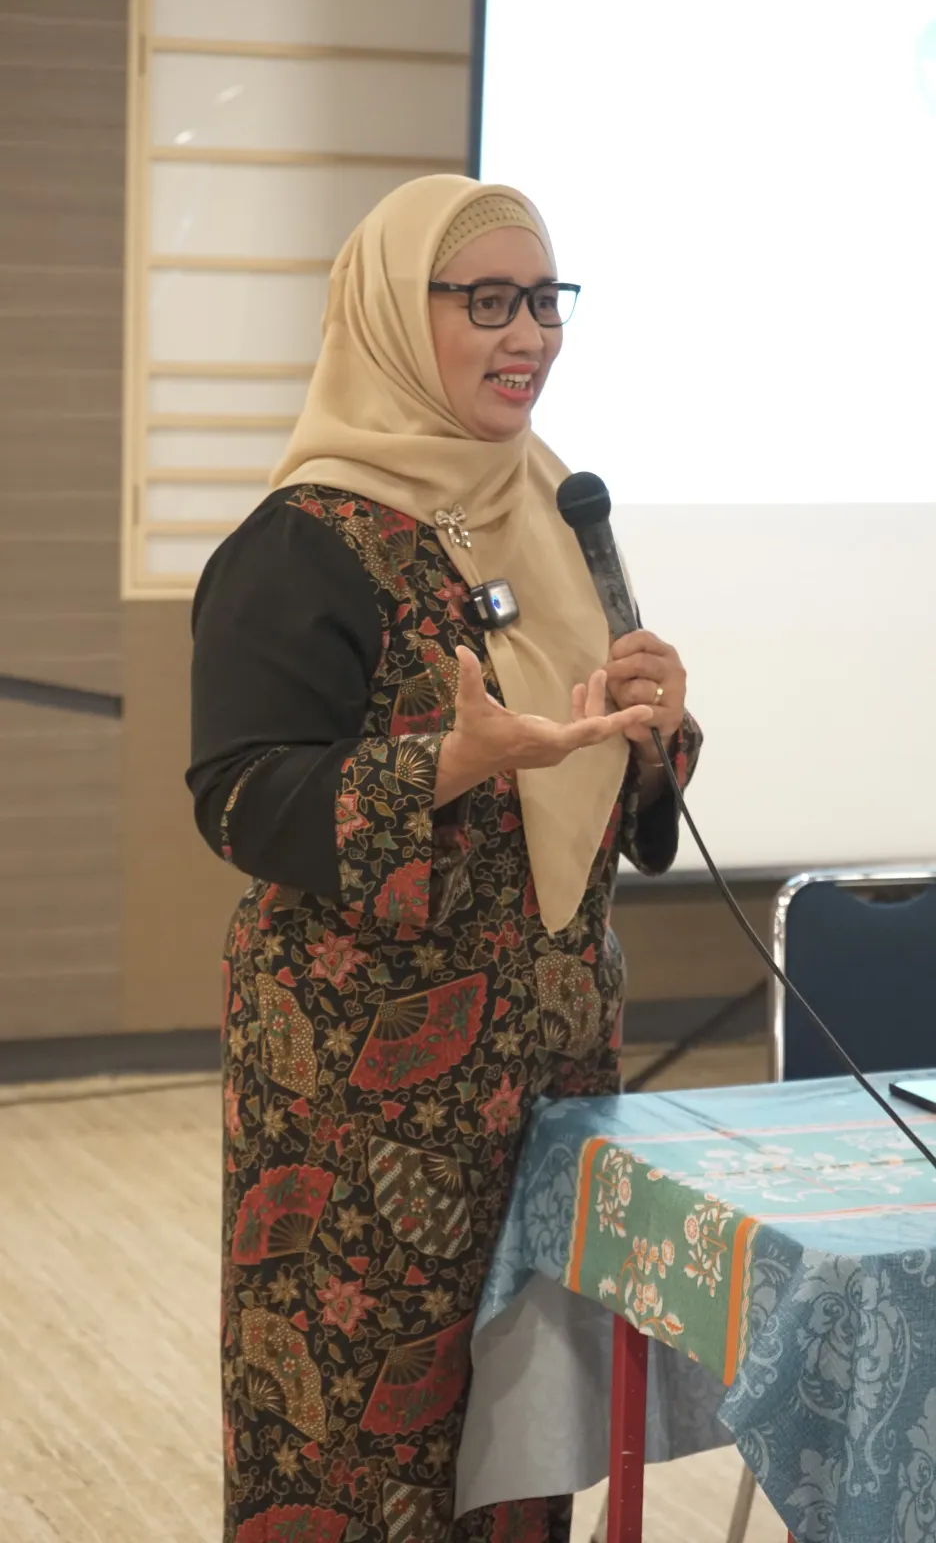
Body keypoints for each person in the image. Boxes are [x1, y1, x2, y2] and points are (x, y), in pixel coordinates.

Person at [187, 174, 700, 1543]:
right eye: (485, 301)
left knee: (521, 1438)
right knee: (361, 1457)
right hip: (364, 1111)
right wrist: (444, 764)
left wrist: (653, 732)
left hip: (552, 1075)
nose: (527, 335)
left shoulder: (554, 508)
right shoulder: (302, 542)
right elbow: (236, 800)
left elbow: (598, 804)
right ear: (392, 318)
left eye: (544, 300)